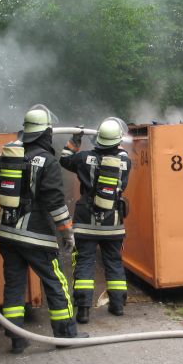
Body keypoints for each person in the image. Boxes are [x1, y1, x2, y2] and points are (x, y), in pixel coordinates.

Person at [0, 104, 87, 353]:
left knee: (14, 285)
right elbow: (55, 201)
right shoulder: (47, 161)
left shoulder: (10, 155)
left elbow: (2, 186)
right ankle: (66, 335)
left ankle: (16, 338)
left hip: (6, 232)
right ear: (45, 133)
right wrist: (67, 232)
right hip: (35, 236)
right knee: (56, 282)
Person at [59, 117, 132, 323]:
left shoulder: (83, 158)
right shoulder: (125, 161)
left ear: (98, 139)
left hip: (86, 221)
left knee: (84, 262)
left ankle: (83, 310)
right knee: (114, 262)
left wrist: (76, 139)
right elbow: (120, 153)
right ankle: (117, 306)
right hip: (112, 222)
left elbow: (64, 159)